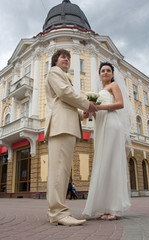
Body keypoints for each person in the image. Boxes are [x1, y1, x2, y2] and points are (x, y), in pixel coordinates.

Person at [45, 49, 97, 226]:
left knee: (61, 170)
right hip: (61, 126)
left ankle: (56, 211)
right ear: (55, 61)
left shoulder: (62, 76)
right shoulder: (54, 72)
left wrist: (80, 114)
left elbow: (65, 101)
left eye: (68, 57)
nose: (66, 59)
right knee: (59, 170)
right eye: (62, 57)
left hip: (65, 125)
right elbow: (65, 93)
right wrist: (87, 104)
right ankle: (58, 213)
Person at [82, 62, 133, 220]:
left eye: (108, 70)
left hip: (112, 124)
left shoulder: (114, 85)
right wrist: (89, 113)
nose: (105, 73)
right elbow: (97, 114)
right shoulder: (99, 92)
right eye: (102, 71)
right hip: (101, 127)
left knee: (112, 164)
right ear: (99, 74)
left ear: (112, 74)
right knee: (103, 163)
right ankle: (106, 206)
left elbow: (120, 104)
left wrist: (98, 108)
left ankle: (114, 208)